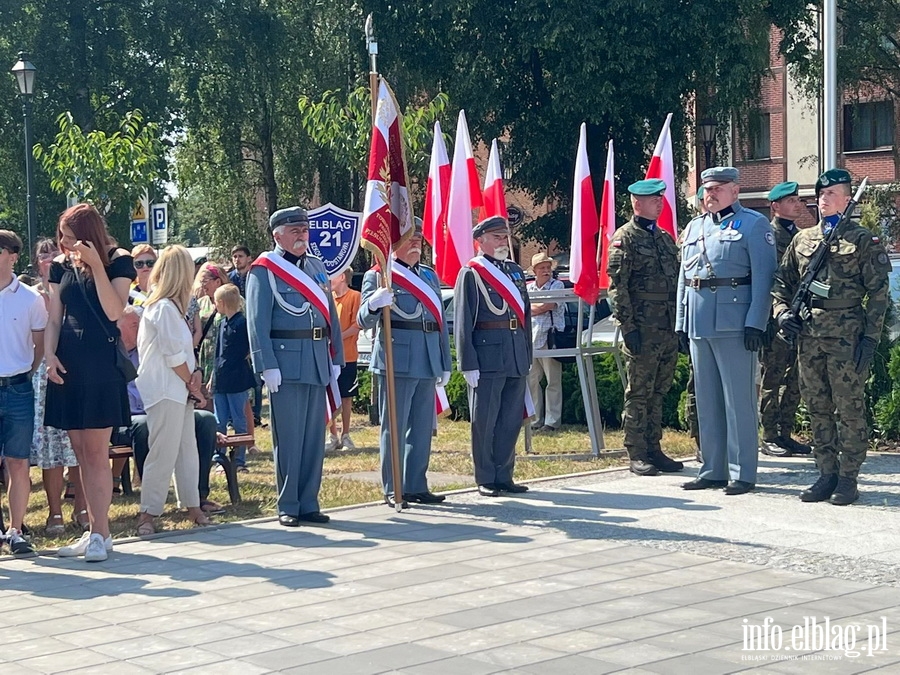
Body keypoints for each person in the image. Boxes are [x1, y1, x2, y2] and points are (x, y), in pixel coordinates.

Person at [772, 169, 891, 505]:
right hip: (809, 337)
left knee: (849, 409)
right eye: (821, 195)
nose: (824, 201)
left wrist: (870, 339)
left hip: (846, 338)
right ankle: (826, 473)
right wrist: (782, 314)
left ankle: (849, 478)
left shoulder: (863, 240)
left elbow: (879, 294)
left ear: (847, 199)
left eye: (832, 195)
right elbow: (782, 283)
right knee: (818, 408)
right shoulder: (803, 239)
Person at [677, 167, 777, 495]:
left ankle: (742, 472)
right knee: (706, 400)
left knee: (738, 402)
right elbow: (685, 280)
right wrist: (681, 322)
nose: (711, 194)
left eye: (718, 188)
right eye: (707, 189)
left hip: (734, 323)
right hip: (699, 323)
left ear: (735, 190)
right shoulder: (695, 227)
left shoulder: (753, 224)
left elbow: (764, 278)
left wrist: (756, 322)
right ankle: (712, 469)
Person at [246, 206, 343, 526]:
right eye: (295, 231)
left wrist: (336, 358)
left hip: (316, 359)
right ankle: (288, 503)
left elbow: (331, 315)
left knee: (314, 437)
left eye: (304, 230)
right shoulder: (265, 269)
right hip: (285, 363)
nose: (302, 235)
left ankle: (308, 501)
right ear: (277, 235)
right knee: (288, 438)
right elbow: (256, 321)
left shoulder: (316, 266)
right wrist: (266, 364)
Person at [359, 219, 452, 507]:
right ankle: (393, 487)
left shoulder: (428, 276)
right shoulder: (379, 276)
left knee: (423, 426)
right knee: (395, 427)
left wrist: (444, 361)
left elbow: (439, 322)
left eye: (419, 240)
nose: (416, 245)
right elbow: (363, 318)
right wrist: (374, 303)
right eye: (410, 240)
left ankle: (415, 484)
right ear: (393, 244)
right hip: (396, 359)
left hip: (426, 356)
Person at [607, 179, 684, 477]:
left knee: (659, 391)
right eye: (654, 200)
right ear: (637, 203)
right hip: (642, 326)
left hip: (666, 327)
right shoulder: (624, 238)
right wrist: (628, 327)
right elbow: (618, 287)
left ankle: (654, 447)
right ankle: (636, 451)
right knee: (639, 391)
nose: (660, 204)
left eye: (661, 199)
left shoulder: (664, 238)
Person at [135, 245, 212, 535]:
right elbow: (172, 355)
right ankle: (148, 513)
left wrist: (195, 376)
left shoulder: (172, 308)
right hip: (166, 387)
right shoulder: (163, 308)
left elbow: (185, 351)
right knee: (163, 451)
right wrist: (192, 380)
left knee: (185, 449)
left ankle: (192, 504)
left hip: (178, 387)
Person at [117, 305, 223, 514]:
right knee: (145, 425)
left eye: (136, 325)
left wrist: (198, 372)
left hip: (167, 405)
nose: (136, 330)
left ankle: (197, 496)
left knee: (204, 420)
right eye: (128, 326)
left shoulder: (150, 351)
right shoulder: (113, 354)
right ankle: (150, 500)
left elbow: (182, 358)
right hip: (127, 418)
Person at [454, 215, 532, 497]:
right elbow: (463, 320)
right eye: (496, 237)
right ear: (481, 240)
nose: (502, 242)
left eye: (504, 237)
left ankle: (504, 474)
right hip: (487, 356)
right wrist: (468, 362)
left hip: (514, 353)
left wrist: (527, 353)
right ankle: (485, 476)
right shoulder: (472, 273)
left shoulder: (514, 271)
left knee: (511, 418)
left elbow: (524, 317)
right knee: (485, 420)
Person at [0, 230, 48, 555]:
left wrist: (24, 374)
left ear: (13, 256)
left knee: (18, 463)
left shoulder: (31, 298)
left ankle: (15, 531)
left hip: (17, 387)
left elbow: (39, 347)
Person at [29, 238, 80, 536]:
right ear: (36, 262)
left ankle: (83, 507)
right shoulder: (32, 296)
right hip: (40, 377)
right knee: (50, 448)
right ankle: (54, 512)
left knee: (78, 445)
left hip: (73, 370)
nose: (49, 257)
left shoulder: (70, 288)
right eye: (43, 253)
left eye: (53, 252)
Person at [758, 182, 811, 458]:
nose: (797, 204)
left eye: (798, 200)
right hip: (774, 316)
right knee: (773, 376)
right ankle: (769, 434)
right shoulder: (765, 235)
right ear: (775, 206)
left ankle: (785, 432)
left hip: (798, 316)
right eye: (790, 200)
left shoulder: (802, 237)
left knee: (795, 379)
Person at [212, 284, 256, 459]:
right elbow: (218, 352)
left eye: (216, 302)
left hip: (237, 378)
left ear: (222, 303)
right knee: (219, 420)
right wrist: (212, 377)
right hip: (221, 378)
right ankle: (219, 456)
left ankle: (239, 458)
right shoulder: (222, 323)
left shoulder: (242, 323)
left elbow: (249, 346)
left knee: (239, 419)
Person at [526, 252, 565, 434]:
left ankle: (552, 421)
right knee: (532, 381)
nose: (546, 271)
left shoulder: (557, 285)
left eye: (548, 267)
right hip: (532, 340)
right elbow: (524, 310)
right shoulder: (529, 289)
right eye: (542, 268)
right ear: (535, 271)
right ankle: (535, 419)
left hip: (550, 338)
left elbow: (548, 306)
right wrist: (535, 308)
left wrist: (534, 308)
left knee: (553, 382)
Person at [328, 268, 361, 451]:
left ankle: (346, 434)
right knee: (330, 395)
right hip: (330, 357)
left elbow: (357, 325)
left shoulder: (355, 296)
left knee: (346, 396)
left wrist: (337, 337)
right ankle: (332, 435)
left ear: (342, 277)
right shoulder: (328, 297)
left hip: (348, 355)